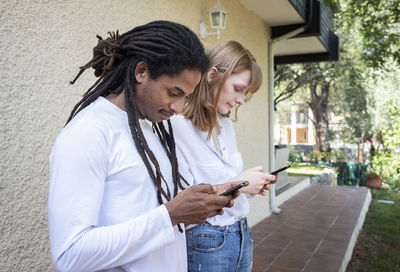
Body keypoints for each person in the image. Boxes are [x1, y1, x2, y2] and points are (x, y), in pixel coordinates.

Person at [48, 21, 242, 272]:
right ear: (141, 71)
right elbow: (70, 255)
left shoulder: (149, 129)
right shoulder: (88, 134)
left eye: (185, 97)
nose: (178, 108)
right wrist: (171, 215)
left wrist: (203, 199)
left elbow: (145, 207)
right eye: (174, 92)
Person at [171, 40, 277, 272]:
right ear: (212, 76)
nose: (240, 100)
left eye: (245, 93)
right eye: (237, 89)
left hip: (241, 233)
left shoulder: (225, 123)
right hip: (206, 240)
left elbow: (228, 185)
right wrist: (241, 183)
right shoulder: (177, 126)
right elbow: (184, 200)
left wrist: (249, 187)